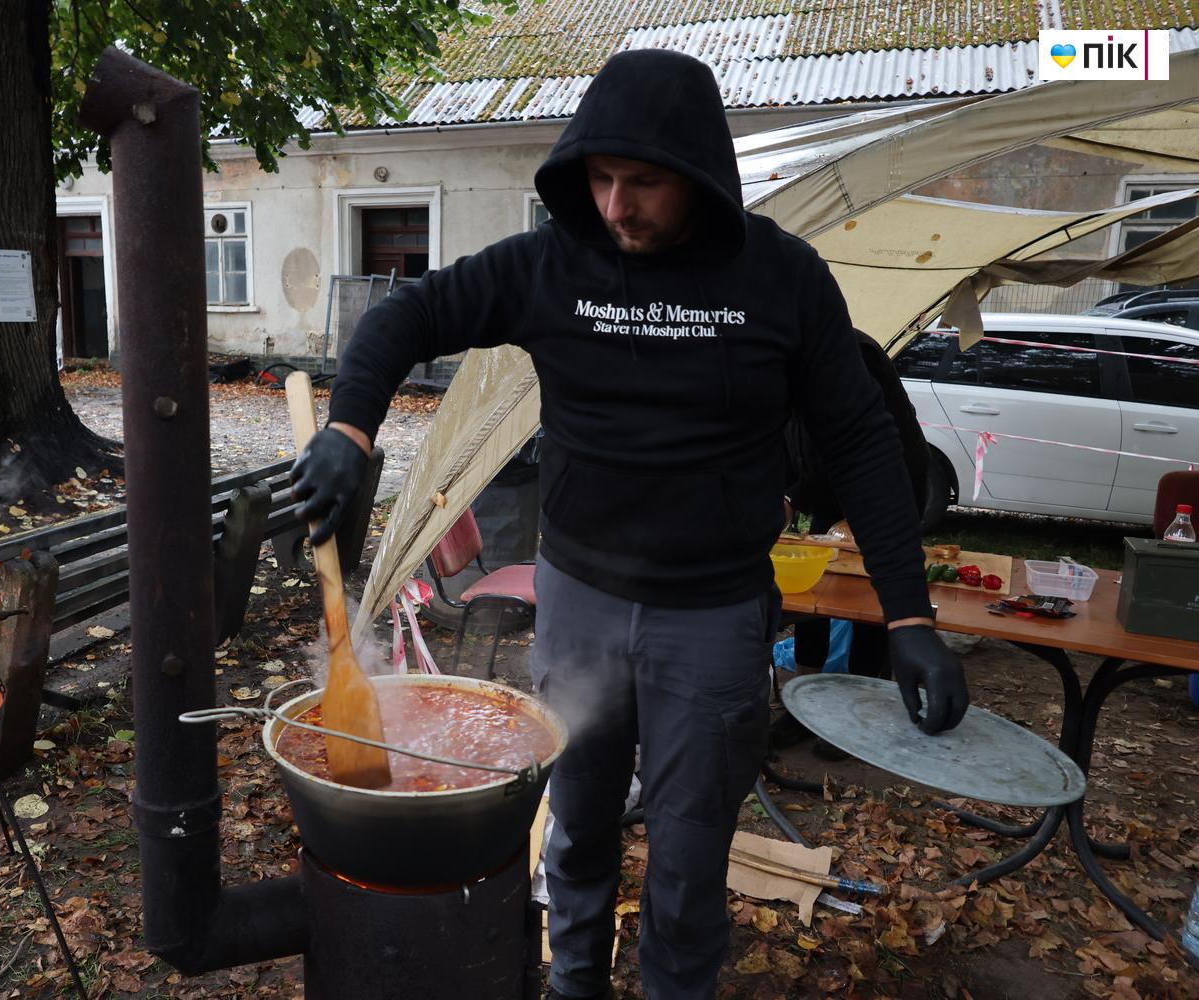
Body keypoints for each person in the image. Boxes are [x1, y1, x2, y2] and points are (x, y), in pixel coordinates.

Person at [292, 49, 970, 1000]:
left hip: (714, 619)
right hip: (579, 605)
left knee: (691, 860)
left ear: (698, 175)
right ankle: (573, 981)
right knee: (575, 828)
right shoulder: (551, 264)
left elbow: (861, 440)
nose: (617, 205)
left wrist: (908, 618)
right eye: (601, 179)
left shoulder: (780, 277)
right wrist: (350, 427)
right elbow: (407, 313)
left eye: (644, 182)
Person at [773, 330, 932, 759]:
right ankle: (805, 702)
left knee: (867, 599)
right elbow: (786, 433)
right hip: (821, 485)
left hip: (885, 488)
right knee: (817, 592)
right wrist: (782, 491)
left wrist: (794, 497)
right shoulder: (774, 346)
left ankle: (855, 712)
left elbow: (862, 446)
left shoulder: (852, 353)